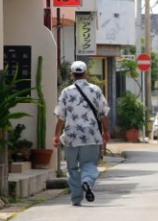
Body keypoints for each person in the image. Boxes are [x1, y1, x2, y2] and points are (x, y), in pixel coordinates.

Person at [53, 61, 110, 206]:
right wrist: (106, 131)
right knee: (89, 163)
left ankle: (76, 198)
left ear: (72, 75)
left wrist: (56, 134)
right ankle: (87, 182)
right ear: (86, 73)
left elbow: (61, 116)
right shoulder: (95, 90)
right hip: (91, 134)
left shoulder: (66, 92)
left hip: (71, 136)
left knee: (72, 168)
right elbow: (103, 114)